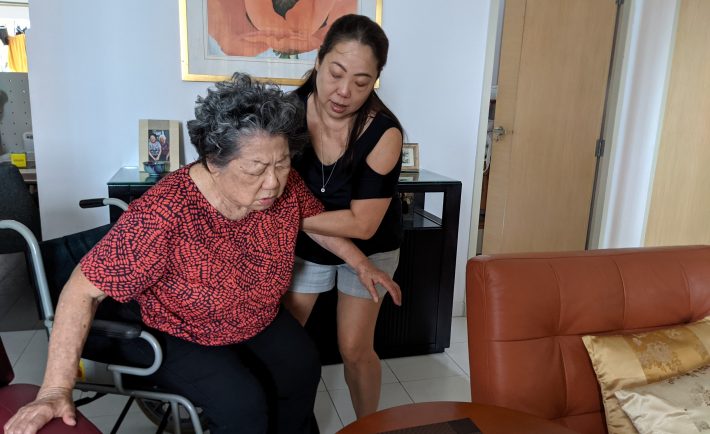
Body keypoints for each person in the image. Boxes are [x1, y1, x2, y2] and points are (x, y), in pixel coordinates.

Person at [3, 73, 399, 434]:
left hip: (255, 315)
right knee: (243, 406)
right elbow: (81, 290)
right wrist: (54, 388)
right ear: (213, 161)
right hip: (183, 329)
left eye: (281, 163)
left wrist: (361, 264)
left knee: (303, 366)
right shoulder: (166, 212)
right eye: (257, 168)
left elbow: (312, 220)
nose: (274, 181)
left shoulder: (285, 184)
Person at [284, 14, 404, 419]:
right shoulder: (286, 117)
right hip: (309, 244)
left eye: (361, 81)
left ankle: (368, 425)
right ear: (318, 61)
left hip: (371, 246)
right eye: (336, 73)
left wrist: (287, 216)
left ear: (375, 81)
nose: (344, 91)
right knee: (287, 338)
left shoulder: (383, 132)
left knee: (354, 348)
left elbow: (363, 224)